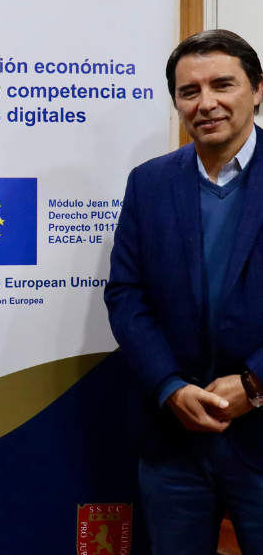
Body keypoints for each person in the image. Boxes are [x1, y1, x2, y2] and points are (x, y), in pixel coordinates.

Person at [105, 29, 263, 554]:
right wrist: (169, 386)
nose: (206, 103)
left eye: (223, 85)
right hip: (172, 439)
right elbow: (126, 295)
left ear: (257, 89)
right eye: (189, 91)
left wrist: (255, 384)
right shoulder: (148, 182)